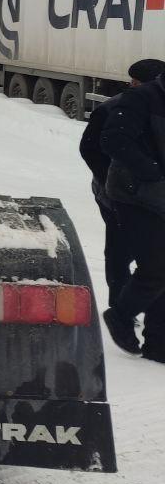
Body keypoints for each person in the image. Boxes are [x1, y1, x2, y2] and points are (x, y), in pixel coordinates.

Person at [81, 59, 165, 307]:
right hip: (118, 195)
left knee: (150, 256)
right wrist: (112, 180)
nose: (132, 85)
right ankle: (120, 306)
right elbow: (90, 148)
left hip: (152, 195)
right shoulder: (113, 107)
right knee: (121, 252)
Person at [101, 67, 165, 358]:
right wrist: (151, 172)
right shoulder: (141, 97)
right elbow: (113, 139)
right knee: (155, 268)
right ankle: (121, 314)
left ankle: (158, 344)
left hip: (160, 196)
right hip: (135, 196)